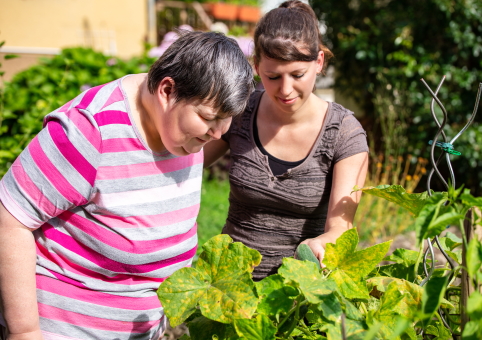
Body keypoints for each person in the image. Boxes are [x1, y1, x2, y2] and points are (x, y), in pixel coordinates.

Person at [0, 31, 253, 340]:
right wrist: (24, 332)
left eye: (227, 119)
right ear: (167, 90)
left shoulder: (183, 133)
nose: (217, 134)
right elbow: (9, 219)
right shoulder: (90, 130)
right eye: (209, 118)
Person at [204, 0, 369, 281]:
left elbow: (341, 228)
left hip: (298, 297)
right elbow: (186, 163)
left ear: (318, 62)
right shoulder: (241, 112)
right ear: (256, 66)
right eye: (273, 76)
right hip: (229, 289)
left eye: (297, 75)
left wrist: (322, 242)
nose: (285, 89)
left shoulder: (344, 133)